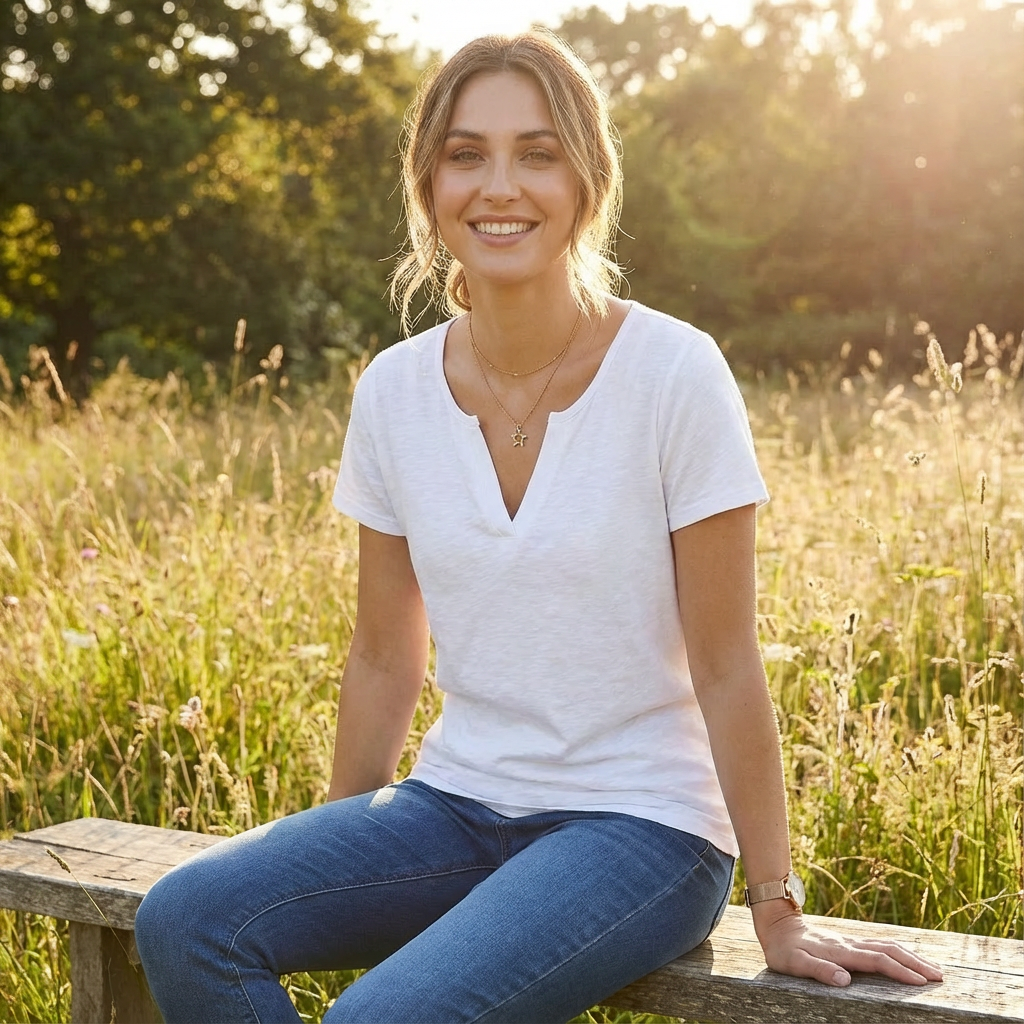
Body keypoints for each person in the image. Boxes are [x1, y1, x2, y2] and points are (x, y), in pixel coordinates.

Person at [134, 31, 943, 1023]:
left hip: (643, 829)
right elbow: (385, 656)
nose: (498, 185)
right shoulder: (391, 392)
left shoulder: (675, 373)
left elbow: (726, 661)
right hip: (455, 803)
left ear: (587, 180)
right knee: (185, 920)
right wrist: (335, 862)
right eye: (466, 154)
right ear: (429, 183)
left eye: (537, 152)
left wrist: (776, 904)